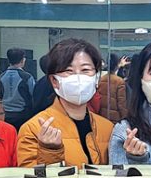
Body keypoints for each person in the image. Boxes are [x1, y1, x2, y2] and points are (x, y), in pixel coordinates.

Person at [17, 38, 113, 168]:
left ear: (96, 78)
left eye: (85, 70)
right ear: (54, 81)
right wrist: (50, 151)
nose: (78, 77)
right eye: (69, 71)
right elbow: (30, 176)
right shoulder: (34, 129)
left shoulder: (107, 128)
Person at [0, 48, 36, 130]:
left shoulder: (1, 77)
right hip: (24, 115)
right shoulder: (27, 77)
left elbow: (0, 94)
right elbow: (34, 94)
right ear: (23, 60)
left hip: (7, 115)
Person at [97, 53, 129, 123]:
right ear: (117, 65)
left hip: (102, 117)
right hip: (115, 119)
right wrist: (125, 118)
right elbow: (121, 103)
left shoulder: (101, 79)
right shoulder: (119, 81)